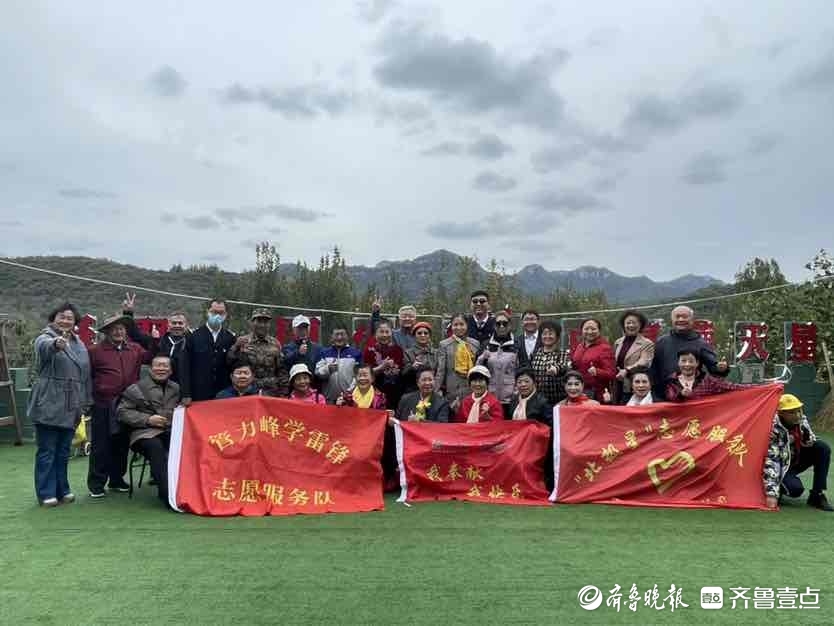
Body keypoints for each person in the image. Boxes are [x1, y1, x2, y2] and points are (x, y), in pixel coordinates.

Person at [28, 303, 92, 506]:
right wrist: (56, 343)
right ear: (53, 319)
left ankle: (62, 489)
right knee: (47, 449)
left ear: (75, 322)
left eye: (69, 318)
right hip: (49, 400)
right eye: (61, 317)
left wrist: (85, 401)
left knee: (64, 450)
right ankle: (46, 492)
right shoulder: (44, 337)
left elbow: (85, 374)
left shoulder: (79, 344)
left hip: (72, 403)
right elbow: (45, 348)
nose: (65, 321)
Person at [87, 312, 154, 498]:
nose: (118, 332)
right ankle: (96, 483)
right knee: (101, 444)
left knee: (122, 442)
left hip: (128, 404)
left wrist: (154, 340)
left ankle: (116, 479)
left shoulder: (135, 349)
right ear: (107, 331)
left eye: (122, 329)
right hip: (103, 403)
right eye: (114, 329)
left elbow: (152, 356)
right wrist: (91, 398)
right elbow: (87, 376)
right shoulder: (94, 351)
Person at [117, 355, 180, 505]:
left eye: (165, 366)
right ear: (150, 369)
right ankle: (168, 495)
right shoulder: (135, 388)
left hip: (168, 430)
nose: (161, 369)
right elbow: (122, 412)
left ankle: (186, 490)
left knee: (185, 445)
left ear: (171, 370)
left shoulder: (176, 388)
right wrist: (147, 419)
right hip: (143, 433)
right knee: (156, 447)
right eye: (157, 365)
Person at [763, 394, 833, 511]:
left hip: (794, 459)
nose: (797, 415)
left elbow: (810, 439)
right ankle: (774, 490)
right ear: (780, 413)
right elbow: (771, 461)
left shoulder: (801, 419)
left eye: (799, 410)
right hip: (780, 466)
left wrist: (807, 439)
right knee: (795, 490)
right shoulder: (772, 428)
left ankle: (817, 495)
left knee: (822, 448)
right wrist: (772, 494)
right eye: (791, 412)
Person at [651, 305, 728, 397]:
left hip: (692, 395)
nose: (680, 319)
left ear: (692, 320)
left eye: (684, 317)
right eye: (677, 317)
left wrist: (721, 368)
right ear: (672, 320)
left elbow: (713, 367)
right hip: (665, 395)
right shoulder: (661, 342)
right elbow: (653, 370)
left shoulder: (700, 343)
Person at [181, 298, 236, 403]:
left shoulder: (230, 338)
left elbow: (233, 366)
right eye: (214, 312)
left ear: (226, 315)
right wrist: (186, 393)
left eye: (221, 313)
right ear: (207, 312)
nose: (217, 316)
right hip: (198, 392)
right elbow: (185, 366)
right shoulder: (193, 336)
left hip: (223, 392)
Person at [227, 309, 289, 396]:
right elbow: (229, 362)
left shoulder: (275, 343)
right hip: (247, 391)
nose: (262, 325)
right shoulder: (242, 341)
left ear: (269, 324)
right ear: (252, 322)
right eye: (259, 321)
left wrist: (284, 392)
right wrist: (236, 347)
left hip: (271, 391)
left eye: (265, 322)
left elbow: (282, 370)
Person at [436, 314, 480, 414]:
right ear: (451, 326)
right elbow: (441, 370)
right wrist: (435, 391)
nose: (458, 327)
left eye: (462, 324)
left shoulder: (475, 344)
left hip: (471, 388)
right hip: (452, 389)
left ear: (467, 325)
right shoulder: (444, 344)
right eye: (455, 325)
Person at [477, 310, 518, 417]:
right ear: (494, 326)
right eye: (498, 323)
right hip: (490, 398)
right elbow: (478, 370)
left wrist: (516, 392)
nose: (501, 326)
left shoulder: (517, 344)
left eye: (505, 323)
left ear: (510, 325)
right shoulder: (485, 344)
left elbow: (521, 370)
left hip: (511, 399)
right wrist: (482, 358)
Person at [665, 349, 746, 402]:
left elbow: (731, 387)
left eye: (691, 361)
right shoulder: (671, 381)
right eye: (683, 361)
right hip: (680, 421)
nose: (687, 364)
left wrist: (753, 389)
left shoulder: (707, 380)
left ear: (697, 363)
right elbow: (670, 398)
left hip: (704, 421)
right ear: (678, 363)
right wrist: (681, 395)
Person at [612, 310, 655, 403]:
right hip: (618, 384)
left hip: (635, 386)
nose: (631, 325)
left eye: (634, 323)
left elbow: (644, 362)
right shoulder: (618, 342)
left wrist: (627, 370)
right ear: (623, 325)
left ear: (640, 325)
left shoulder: (647, 343)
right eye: (628, 323)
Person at [570, 318, 616, 401]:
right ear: (581, 330)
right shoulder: (579, 346)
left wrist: (597, 372)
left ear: (599, 331)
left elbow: (612, 373)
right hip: (578, 391)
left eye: (593, 329)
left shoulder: (605, 348)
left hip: (596, 394)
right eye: (586, 329)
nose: (590, 332)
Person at [363, 320, 405, 409]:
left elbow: (400, 370)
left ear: (391, 333)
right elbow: (366, 373)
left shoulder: (397, 350)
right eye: (381, 332)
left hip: (394, 393)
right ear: (376, 333)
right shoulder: (369, 350)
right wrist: (382, 367)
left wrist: (394, 370)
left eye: (387, 332)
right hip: (375, 393)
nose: (384, 335)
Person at [316, 327, 363, 404]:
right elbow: (318, 372)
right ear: (331, 337)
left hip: (350, 399)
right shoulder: (324, 353)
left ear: (347, 336)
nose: (339, 337)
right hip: (329, 400)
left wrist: (349, 391)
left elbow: (359, 375)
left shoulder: (356, 353)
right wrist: (328, 369)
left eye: (342, 334)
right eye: (336, 334)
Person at [529, 321, 571, 405]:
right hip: (538, 400)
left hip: (558, 400)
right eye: (544, 334)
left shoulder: (563, 353)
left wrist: (556, 369)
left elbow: (564, 366)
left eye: (551, 334)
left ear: (557, 337)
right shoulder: (535, 354)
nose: (547, 336)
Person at [402, 322, 438, 393]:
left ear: (429, 336)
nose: (423, 335)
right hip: (413, 390)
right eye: (419, 333)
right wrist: (412, 367)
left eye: (426, 333)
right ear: (414, 336)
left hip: (433, 389)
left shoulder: (436, 352)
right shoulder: (408, 352)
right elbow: (403, 373)